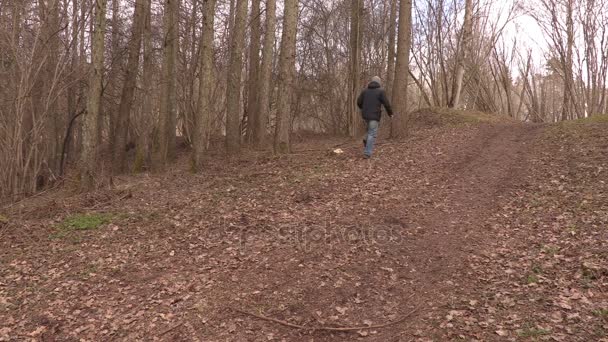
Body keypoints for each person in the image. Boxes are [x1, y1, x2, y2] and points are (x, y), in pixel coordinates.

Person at [356, 76, 394, 158]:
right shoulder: (380, 91)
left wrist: (363, 108)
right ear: (379, 83)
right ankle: (367, 153)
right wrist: (390, 113)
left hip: (365, 115)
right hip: (374, 115)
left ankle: (366, 139)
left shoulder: (364, 91)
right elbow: (386, 104)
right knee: (372, 133)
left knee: (369, 131)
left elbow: (358, 102)